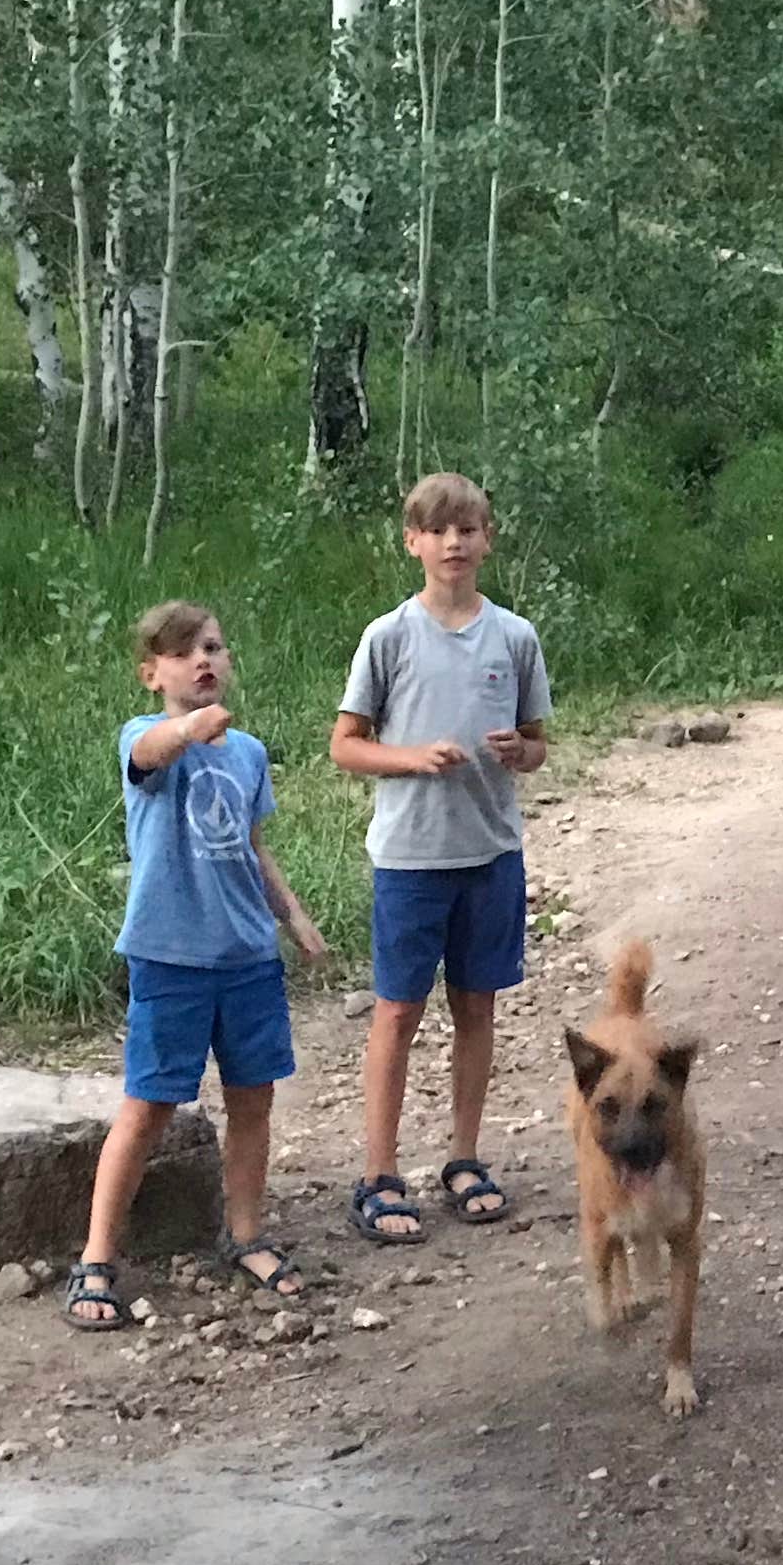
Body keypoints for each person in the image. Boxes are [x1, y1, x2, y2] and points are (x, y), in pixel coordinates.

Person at [68, 601, 329, 1333]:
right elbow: (152, 754)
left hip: (246, 955)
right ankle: (96, 1258)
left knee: (253, 1099)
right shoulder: (144, 739)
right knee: (149, 1106)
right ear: (153, 674)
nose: (203, 661)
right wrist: (187, 728)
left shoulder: (245, 752)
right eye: (183, 653)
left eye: (213, 648)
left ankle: (244, 1235)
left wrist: (294, 914)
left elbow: (251, 842)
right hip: (169, 955)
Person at [331, 471, 552, 1248]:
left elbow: (538, 745)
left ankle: (464, 1157)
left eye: (468, 528)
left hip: (490, 851)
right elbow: (345, 745)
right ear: (412, 542)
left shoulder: (515, 637)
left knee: (477, 1007)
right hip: (411, 858)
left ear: (489, 538)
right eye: (438, 530)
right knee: (397, 1011)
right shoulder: (387, 636)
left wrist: (518, 751)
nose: (453, 543)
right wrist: (412, 757)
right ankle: (379, 1172)